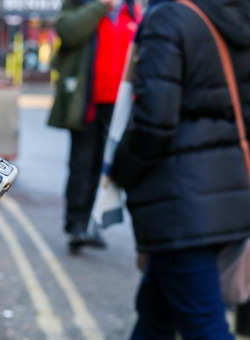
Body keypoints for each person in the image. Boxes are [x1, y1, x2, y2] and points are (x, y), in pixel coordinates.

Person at [110, 0, 250, 338]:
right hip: (227, 189)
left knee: (203, 324)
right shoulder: (236, 13)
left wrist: (120, 170)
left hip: (182, 202)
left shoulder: (168, 16)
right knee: (155, 317)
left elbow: (154, 121)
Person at [48, 0, 141, 252]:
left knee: (106, 169)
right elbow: (68, 32)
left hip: (120, 106)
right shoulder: (83, 5)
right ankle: (75, 225)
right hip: (87, 101)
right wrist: (100, 5)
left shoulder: (132, 9)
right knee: (82, 164)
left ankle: (93, 224)